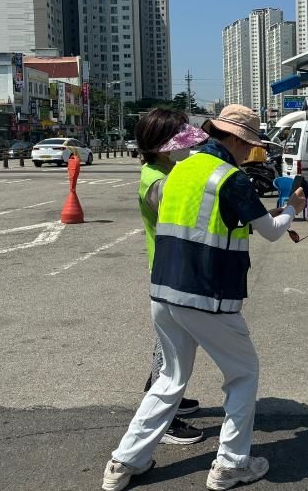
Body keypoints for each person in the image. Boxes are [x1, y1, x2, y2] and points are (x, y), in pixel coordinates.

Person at [102, 105, 306, 491]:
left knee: (169, 378)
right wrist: (293, 209)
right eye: (248, 144)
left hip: (164, 292)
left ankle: (124, 462)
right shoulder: (230, 177)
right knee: (243, 374)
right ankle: (230, 465)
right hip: (208, 295)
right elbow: (273, 232)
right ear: (233, 138)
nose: (250, 152)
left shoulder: (177, 171)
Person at [134, 109, 209, 445]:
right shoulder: (156, 180)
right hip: (170, 271)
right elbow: (183, 202)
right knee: (168, 348)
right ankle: (163, 415)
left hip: (175, 268)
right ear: (161, 146)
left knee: (172, 343)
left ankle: (169, 398)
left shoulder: (168, 168)